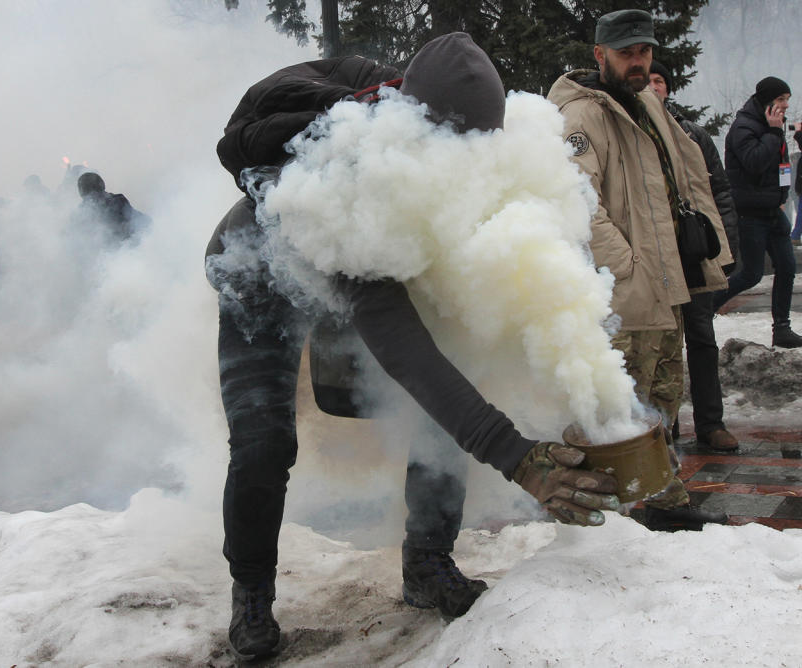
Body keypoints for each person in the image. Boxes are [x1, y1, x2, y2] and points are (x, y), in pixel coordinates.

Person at [208, 33, 620, 661]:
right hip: (260, 275)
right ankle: (252, 596)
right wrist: (518, 456)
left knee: (439, 401)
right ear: (419, 127)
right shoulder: (351, 165)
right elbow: (400, 344)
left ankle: (428, 564)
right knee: (265, 441)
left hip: (355, 268)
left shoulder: (421, 118)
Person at [547, 10, 732, 530]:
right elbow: (578, 202)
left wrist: (703, 249)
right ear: (600, 54)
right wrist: (626, 268)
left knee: (664, 398)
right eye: (626, 53)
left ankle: (663, 499)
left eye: (644, 52)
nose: (638, 61)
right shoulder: (580, 116)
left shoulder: (648, 102)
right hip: (624, 291)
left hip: (668, 280)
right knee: (618, 408)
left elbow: (686, 174)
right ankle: (601, 516)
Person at [647, 61, 740, 452]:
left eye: (659, 81)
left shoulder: (692, 135)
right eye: (648, 80)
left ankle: (711, 423)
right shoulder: (629, 134)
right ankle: (665, 422)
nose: (653, 87)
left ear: (668, 88)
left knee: (702, 337)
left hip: (694, 252)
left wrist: (726, 245)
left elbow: (718, 191)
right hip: (653, 258)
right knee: (656, 345)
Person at [713, 77, 802, 348]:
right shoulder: (744, 127)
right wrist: (774, 134)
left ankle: (782, 328)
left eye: (787, 99)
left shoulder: (770, 126)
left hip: (773, 210)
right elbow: (754, 163)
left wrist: (782, 197)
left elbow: (781, 166)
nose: (785, 105)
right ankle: (702, 311)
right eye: (780, 100)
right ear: (767, 102)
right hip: (750, 212)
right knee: (751, 274)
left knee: (787, 267)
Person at [75, 172, 150, 243]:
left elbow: (142, 221)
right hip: (120, 251)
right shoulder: (118, 200)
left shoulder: (117, 201)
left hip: (123, 249)